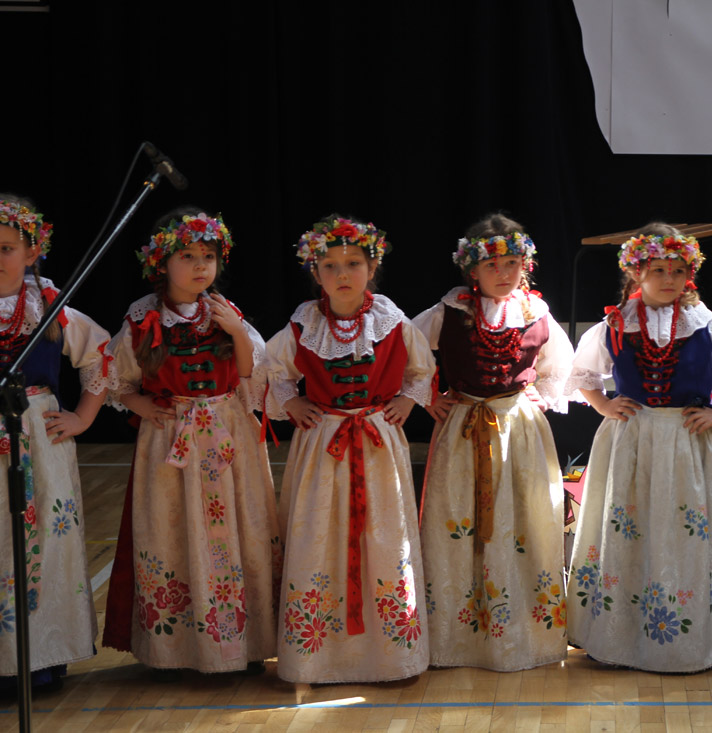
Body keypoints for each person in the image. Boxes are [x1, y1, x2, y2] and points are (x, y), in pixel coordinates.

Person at [564, 223, 712, 672]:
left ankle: (700, 633)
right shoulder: (616, 324)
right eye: (658, 269)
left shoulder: (705, 324)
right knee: (633, 527)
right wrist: (603, 404)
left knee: (687, 528)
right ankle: (621, 633)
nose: (669, 279)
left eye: (678, 271)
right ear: (635, 273)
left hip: (688, 442)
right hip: (634, 439)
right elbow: (583, 374)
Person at [102, 208, 278, 677]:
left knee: (241, 532)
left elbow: (250, 373)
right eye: (188, 256)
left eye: (209, 256)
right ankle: (181, 648)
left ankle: (245, 642)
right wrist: (139, 405)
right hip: (170, 441)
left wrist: (236, 331)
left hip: (227, 435)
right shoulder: (142, 319)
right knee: (172, 533)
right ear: (161, 263)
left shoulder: (225, 312)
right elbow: (116, 380)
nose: (201, 265)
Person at [265, 215, 434, 683]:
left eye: (353, 263)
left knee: (384, 537)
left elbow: (421, 370)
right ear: (315, 272)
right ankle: (316, 656)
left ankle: (391, 655)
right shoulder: (304, 323)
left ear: (372, 268)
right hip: (324, 442)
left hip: (377, 444)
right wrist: (292, 401)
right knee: (319, 535)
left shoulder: (392, 321)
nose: (342, 274)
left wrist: (406, 400)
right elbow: (272, 370)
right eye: (331, 265)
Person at [412, 214, 573, 671]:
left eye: (512, 264)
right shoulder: (449, 311)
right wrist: (427, 397)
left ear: (526, 266)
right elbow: (405, 352)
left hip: (518, 430)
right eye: (492, 265)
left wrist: (543, 393)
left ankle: (522, 630)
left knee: (523, 519)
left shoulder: (535, 313)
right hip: (464, 429)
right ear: (473, 270)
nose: (503, 273)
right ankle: (458, 637)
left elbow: (563, 365)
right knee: (460, 519)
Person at [0, 195, 111, 690]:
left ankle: (40, 658)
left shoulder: (47, 304)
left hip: (40, 437)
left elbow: (100, 353)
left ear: (31, 253)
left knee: (46, 537)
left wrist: (83, 417)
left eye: (6, 248)